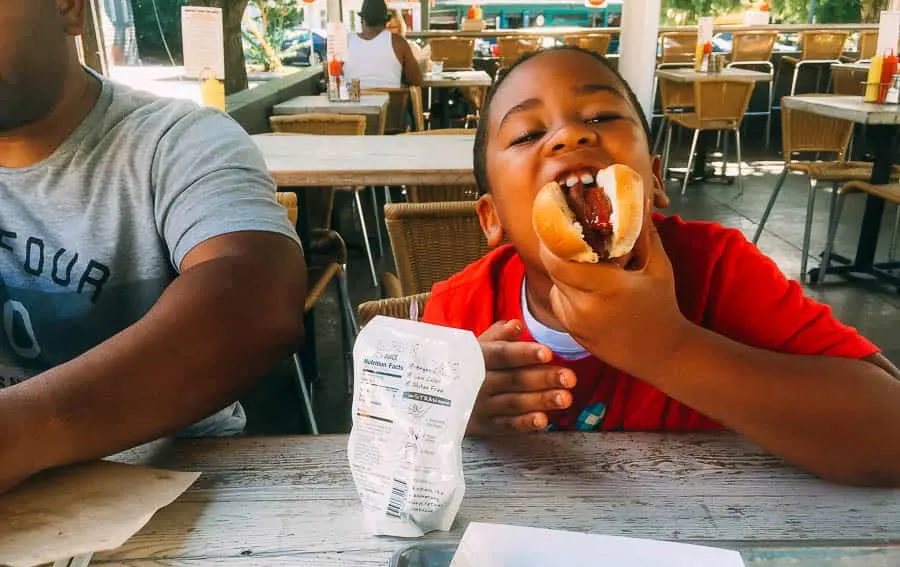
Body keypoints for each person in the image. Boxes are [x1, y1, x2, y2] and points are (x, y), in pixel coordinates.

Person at [423, 46, 900, 486]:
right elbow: (385, 439)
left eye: (603, 116)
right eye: (528, 133)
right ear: (493, 218)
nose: (571, 134)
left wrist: (667, 348)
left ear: (653, 180)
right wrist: (449, 411)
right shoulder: (459, 315)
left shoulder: (719, 269)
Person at [0, 0, 307, 493]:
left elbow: (255, 301)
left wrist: (16, 435)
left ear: (69, 10)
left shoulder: (176, 141)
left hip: (181, 487)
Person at [344, 0, 422, 89]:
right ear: (385, 21)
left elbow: (334, 79)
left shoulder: (345, 41)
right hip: (391, 101)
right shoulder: (398, 42)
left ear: (362, 20)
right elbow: (416, 80)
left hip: (355, 101)